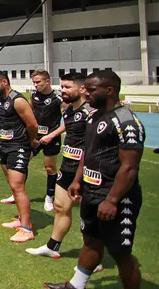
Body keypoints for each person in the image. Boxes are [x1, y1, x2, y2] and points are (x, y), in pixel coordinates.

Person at [43, 70, 144, 289]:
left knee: (120, 253)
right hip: (91, 192)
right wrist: (78, 180)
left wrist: (112, 200)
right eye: (85, 89)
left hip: (115, 197)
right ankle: (75, 285)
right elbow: (88, 152)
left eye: (91, 90)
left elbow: (129, 167)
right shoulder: (95, 115)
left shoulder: (126, 122)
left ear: (109, 91)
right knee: (91, 241)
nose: (85, 94)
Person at [26, 73, 104, 273]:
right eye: (62, 86)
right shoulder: (69, 110)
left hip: (87, 171)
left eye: (68, 87)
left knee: (88, 216)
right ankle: (52, 247)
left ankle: (95, 258)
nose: (63, 90)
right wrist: (52, 134)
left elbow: (94, 145)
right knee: (61, 207)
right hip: (68, 166)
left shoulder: (92, 112)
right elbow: (67, 126)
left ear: (82, 89)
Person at [0, 70, 38, 242]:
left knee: (17, 186)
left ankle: (26, 229)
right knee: (12, 184)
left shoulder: (17, 100)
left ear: (4, 81)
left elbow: (32, 124)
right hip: (3, 145)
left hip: (18, 147)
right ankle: (21, 219)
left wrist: (30, 142)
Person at [25, 69, 64, 212]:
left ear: (47, 81)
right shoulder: (33, 95)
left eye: (38, 82)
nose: (35, 85)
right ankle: (17, 192)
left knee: (50, 168)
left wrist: (51, 136)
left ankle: (49, 197)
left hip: (51, 138)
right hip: (35, 137)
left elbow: (67, 123)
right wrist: (32, 135)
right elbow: (30, 114)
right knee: (22, 162)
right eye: (34, 82)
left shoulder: (58, 98)